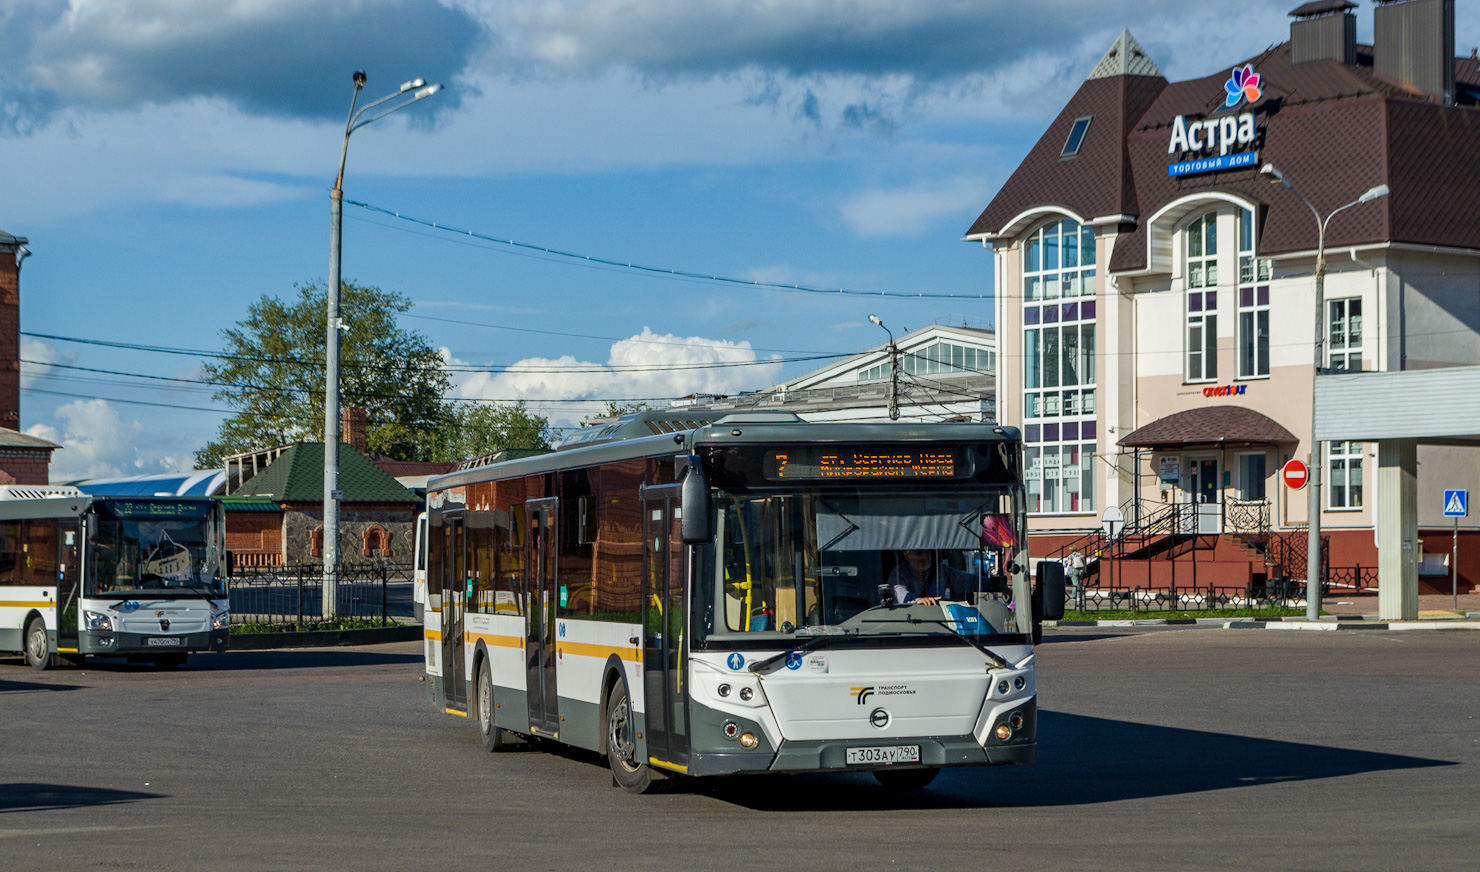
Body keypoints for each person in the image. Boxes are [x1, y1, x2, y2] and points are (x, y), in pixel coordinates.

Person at [887, 549, 997, 605]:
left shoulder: (941, 571)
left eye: (928, 552)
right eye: (918, 553)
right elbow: (901, 597)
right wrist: (919, 602)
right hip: (910, 627)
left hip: (940, 627)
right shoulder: (898, 574)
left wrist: (997, 585)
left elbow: (969, 581)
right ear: (906, 555)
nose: (925, 557)